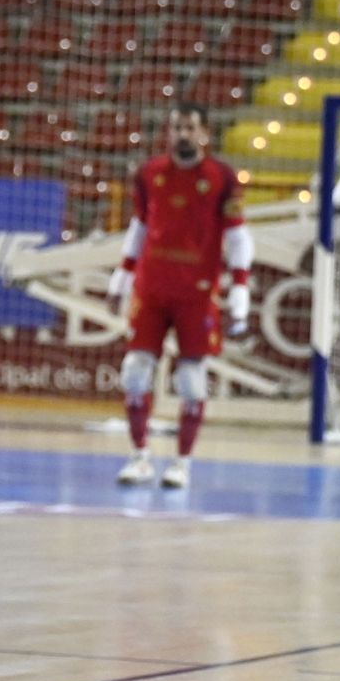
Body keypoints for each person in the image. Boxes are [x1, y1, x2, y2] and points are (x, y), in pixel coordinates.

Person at [106, 103, 252, 490]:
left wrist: (239, 287)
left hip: (197, 294)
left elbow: (238, 237)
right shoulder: (149, 173)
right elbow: (140, 226)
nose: (182, 135)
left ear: (204, 134)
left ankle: (182, 463)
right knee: (134, 371)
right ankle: (139, 457)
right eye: (176, 128)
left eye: (190, 127)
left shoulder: (222, 178)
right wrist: (122, 278)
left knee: (191, 379)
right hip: (151, 290)